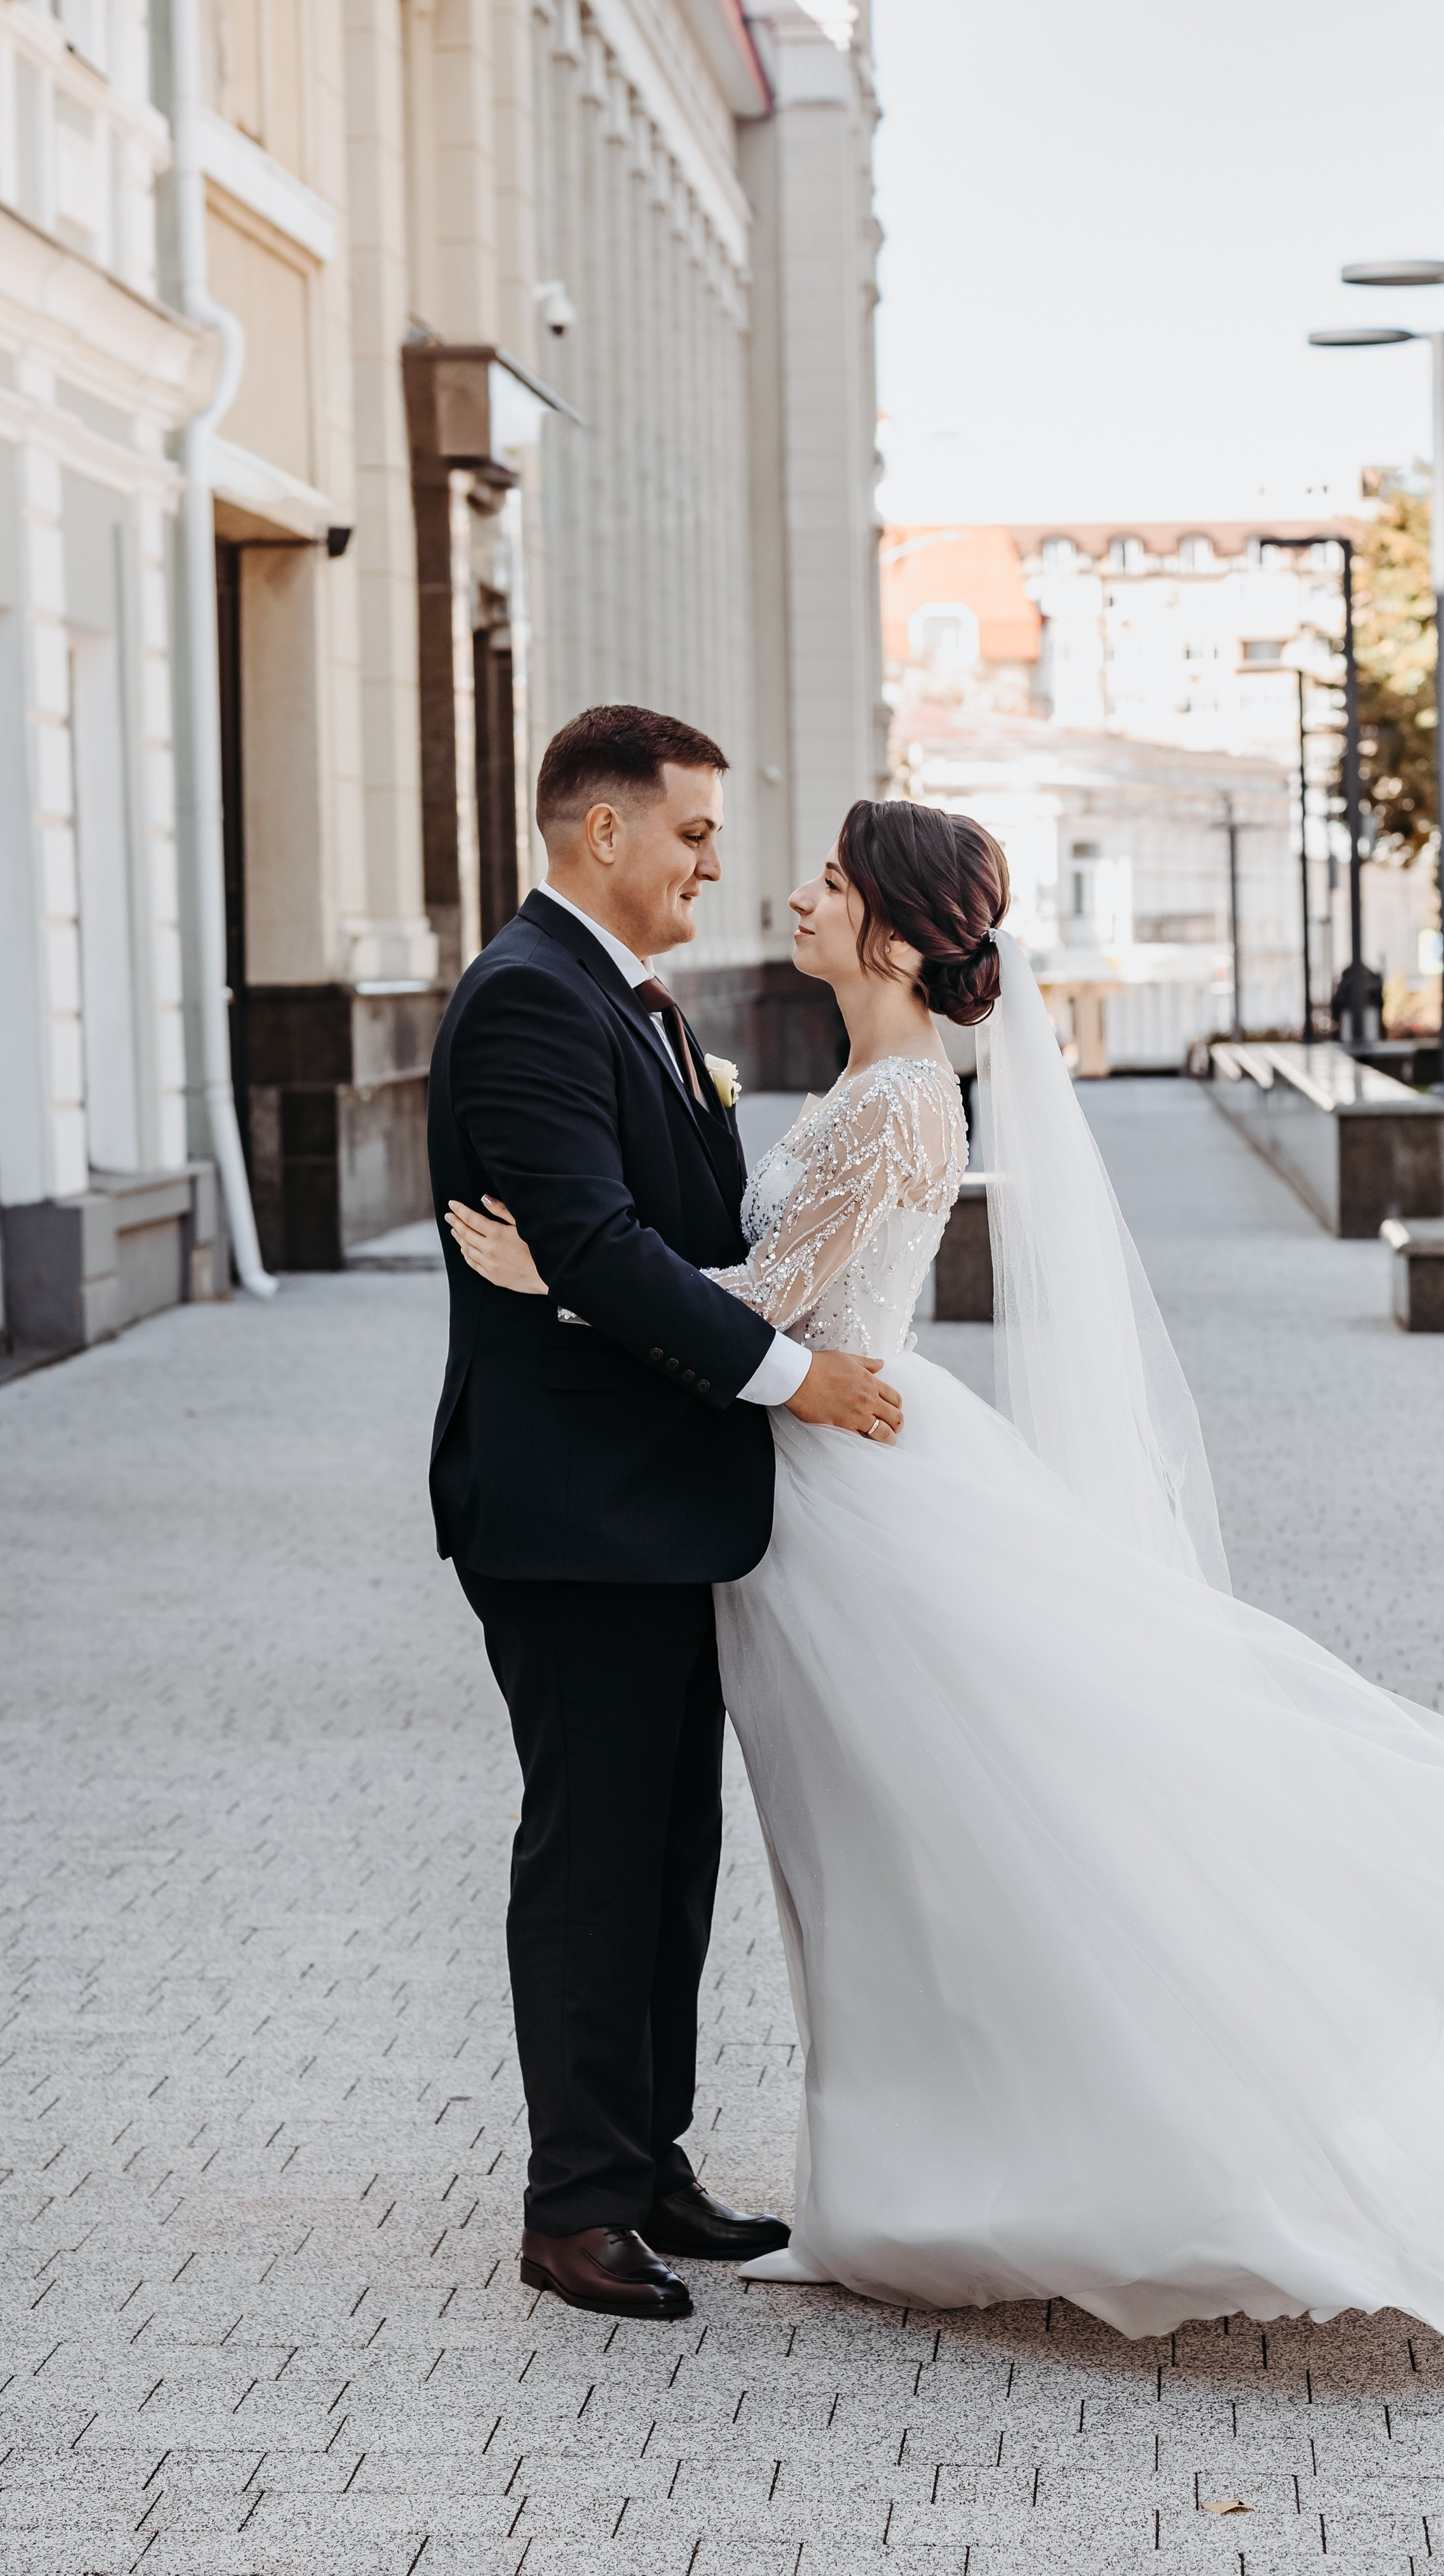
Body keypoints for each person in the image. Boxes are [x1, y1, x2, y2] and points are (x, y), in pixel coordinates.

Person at [446, 796, 1444, 2352]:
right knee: (874, 1861)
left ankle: (1070, 2169)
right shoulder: (865, 1079)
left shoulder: (897, 1101)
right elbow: (756, 1283)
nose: (789, 896)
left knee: (964, 1847)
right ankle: (879, 2166)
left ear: (895, 933)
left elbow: (760, 1296)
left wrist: (556, 1279)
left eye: (828, 884)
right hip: (811, 1484)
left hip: (849, 1501)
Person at [426, 706, 905, 2326]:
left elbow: (677, 1232)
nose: (717, 858)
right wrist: (795, 1375)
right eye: (691, 830)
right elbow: (599, 1244)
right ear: (601, 833)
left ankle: (647, 2163)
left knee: (668, 1848)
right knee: (591, 1853)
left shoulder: (631, 999)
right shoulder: (524, 1003)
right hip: (569, 1508)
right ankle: (573, 2208)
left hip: (659, 1501)